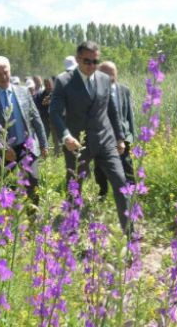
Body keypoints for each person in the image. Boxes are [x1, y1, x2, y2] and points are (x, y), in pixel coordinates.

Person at [49, 41, 131, 233]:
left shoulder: (104, 79)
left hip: (105, 141)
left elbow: (112, 111)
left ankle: (130, 233)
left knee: (121, 183)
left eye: (96, 61)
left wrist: (119, 137)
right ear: (78, 59)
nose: (92, 66)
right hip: (77, 144)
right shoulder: (64, 81)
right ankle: (71, 231)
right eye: (88, 61)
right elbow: (54, 112)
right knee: (74, 188)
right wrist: (66, 136)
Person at [0, 56, 48, 205]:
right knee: (8, 189)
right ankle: (9, 223)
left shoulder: (23, 92)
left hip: (27, 147)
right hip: (3, 151)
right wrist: (2, 145)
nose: (3, 77)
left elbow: (36, 119)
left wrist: (43, 144)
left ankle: (33, 220)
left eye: (6, 72)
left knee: (33, 184)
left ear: (10, 71)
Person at [93, 61, 136, 200]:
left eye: (113, 72)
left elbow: (129, 114)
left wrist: (131, 137)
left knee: (127, 165)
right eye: (107, 73)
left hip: (123, 137)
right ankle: (103, 194)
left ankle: (131, 194)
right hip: (102, 137)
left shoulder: (124, 90)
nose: (111, 76)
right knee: (100, 168)